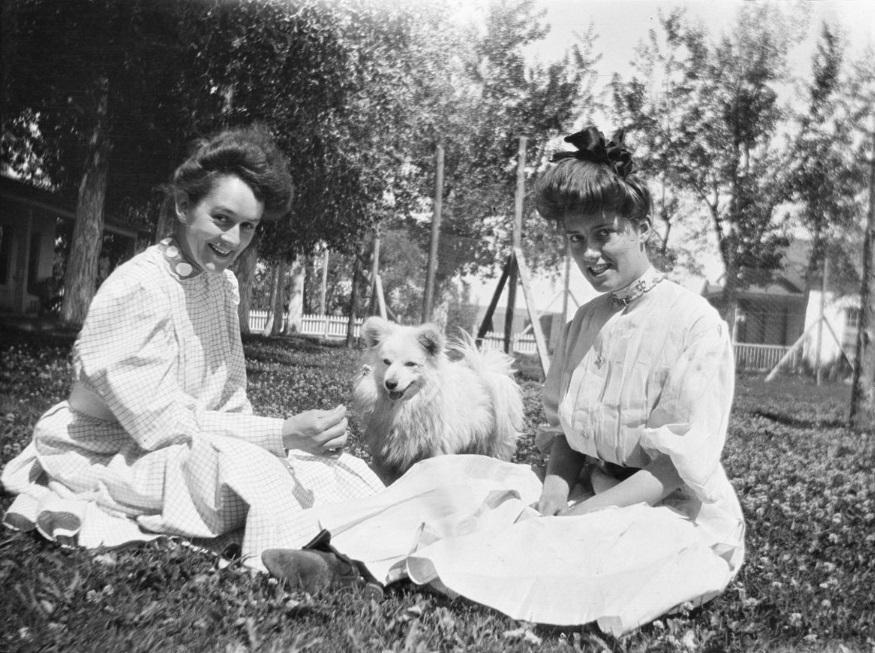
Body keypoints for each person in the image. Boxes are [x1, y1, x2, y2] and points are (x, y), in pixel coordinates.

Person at [264, 126, 745, 635]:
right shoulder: (585, 320)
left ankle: (391, 573)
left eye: (604, 234)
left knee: (576, 546)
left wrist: (584, 513)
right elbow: (566, 436)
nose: (589, 255)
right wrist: (556, 492)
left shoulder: (694, 323)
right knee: (446, 480)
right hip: (589, 487)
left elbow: (673, 471)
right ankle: (340, 561)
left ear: (641, 226)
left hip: (668, 506)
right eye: (576, 239)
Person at [1, 126, 383, 570]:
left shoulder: (221, 284)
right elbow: (161, 426)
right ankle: (315, 558)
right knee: (246, 471)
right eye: (221, 219)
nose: (232, 240)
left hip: (191, 444)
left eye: (248, 227)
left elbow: (229, 400)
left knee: (328, 469)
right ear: (184, 206)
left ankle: (350, 551)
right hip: (115, 452)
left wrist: (290, 443)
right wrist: (278, 435)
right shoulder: (137, 289)